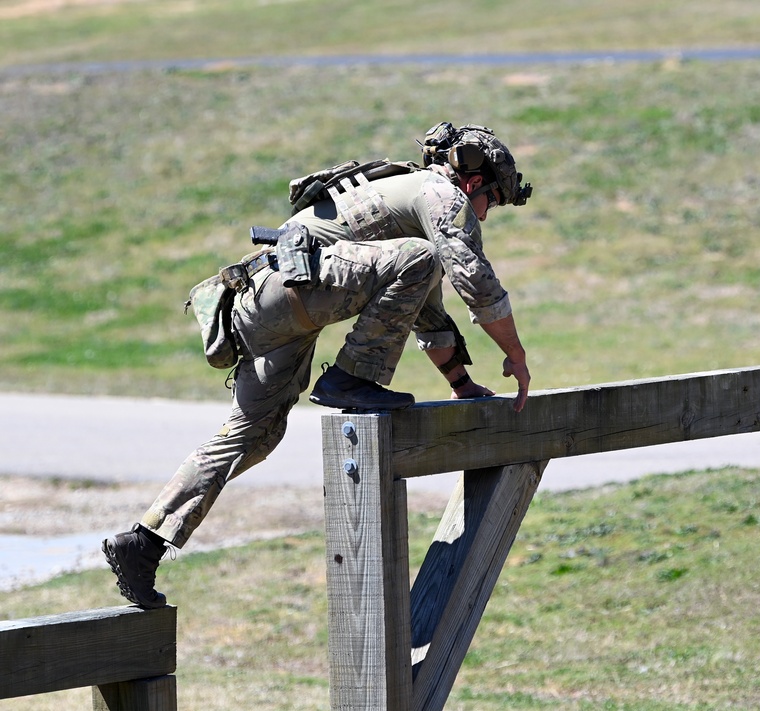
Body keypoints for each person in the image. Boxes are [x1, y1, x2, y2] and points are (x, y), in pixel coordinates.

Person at [102, 122, 533, 609]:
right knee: (421, 257)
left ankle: (144, 543)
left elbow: (426, 314)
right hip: (293, 288)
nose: (485, 214)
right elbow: (470, 275)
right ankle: (352, 378)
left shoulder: (403, 204)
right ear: (476, 184)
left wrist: (460, 382)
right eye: (492, 203)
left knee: (254, 434)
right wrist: (515, 355)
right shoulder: (441, 194)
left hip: (267, 302)